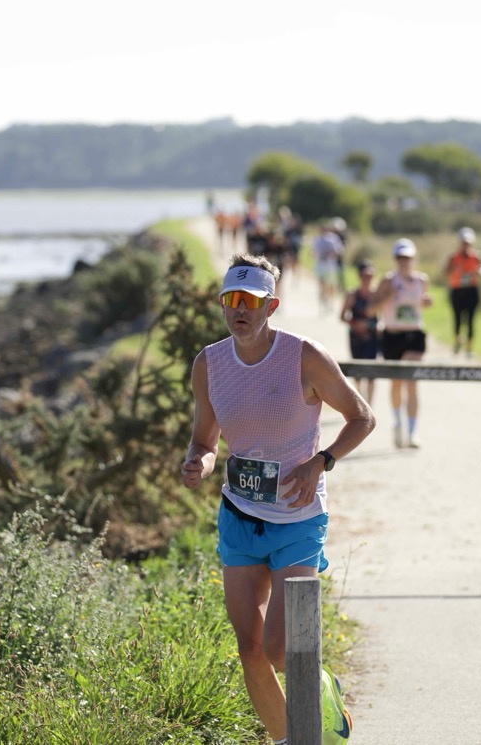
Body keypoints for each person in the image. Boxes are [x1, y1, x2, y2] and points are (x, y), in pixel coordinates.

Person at [181, 254, 375, 745]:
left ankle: (323, 689)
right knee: (249, 649)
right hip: (239, 516)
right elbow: (204, 441)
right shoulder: (209, 364)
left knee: (283, 648)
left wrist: (321, 461)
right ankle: (290, 740)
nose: (239, 309)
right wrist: (199, 463)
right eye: (231, 299)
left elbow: (362, 417)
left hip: (297, 518)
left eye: (250, 301)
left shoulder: (303, 356)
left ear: (272, 306)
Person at [369, 238, 432, 449]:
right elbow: (371, 309)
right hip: (392, 335)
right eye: (400, 257)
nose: (404, 261)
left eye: (407, 257)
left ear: (413, 258)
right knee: (396, 383)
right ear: (395, 259)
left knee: (412, 382)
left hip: (415, 335)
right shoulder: (389, 280)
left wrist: (426, 303)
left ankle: (412, 433)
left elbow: (421, 303)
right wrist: (388, 297)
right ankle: (398, 422)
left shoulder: (422, 280)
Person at [444, 226, 481, 357]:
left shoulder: (477, 256)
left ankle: (469, 348)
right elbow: (445, 272)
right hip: (457, 291)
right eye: (464, 242)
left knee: (470, 320)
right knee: (457, 319)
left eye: (468, 243)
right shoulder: (453, 257)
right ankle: (457, 342)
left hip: (472, 290)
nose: (466, 245)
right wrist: (454, 270)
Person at [340, 260, 380, 406]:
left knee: (372, 372)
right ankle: (360, 402)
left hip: (372, 337)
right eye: (365, 276)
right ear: (359, 276)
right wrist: (355, 324)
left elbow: (383, 317)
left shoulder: (376, 295)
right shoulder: (352, 294)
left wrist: (371, 325)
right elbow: (342, 316)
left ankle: (370, 405)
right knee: (357, 373)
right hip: (356, 338)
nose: (367, 279)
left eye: (370, 276)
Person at [311, 223, 344, 315]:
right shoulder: (317, 239)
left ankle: (330, 301)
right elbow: (313, 252)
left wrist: (330, 253)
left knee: (330, 286)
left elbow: (338, 251)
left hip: (330, 266)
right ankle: (322, 303)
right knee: (321, 285)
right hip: (320, 266)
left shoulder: (333, 239)